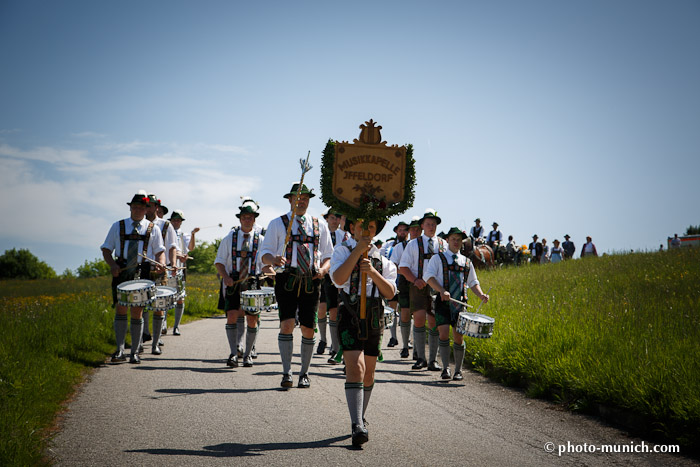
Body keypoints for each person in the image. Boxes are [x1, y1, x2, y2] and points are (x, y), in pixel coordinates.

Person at [330, 219, 397, 447]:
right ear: (351, 229)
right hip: (349, 313)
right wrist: (357, 251)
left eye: (370, 227)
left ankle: (360, 415)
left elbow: (389, 293)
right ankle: (357, 423)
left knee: (368, 372)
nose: (366, 230)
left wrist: (373, 273)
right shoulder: (341, 251)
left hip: (374, 316)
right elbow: (338, 279)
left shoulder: (384, 260)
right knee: (355, 367)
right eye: (360, 226)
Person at [260, 183, 333, 389]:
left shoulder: (320, 224)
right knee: (287, 324)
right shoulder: (278, 223)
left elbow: (329, 255)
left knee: (309, 329)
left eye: (305, 198)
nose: (302, 201)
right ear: (290, 200)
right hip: (287, 278)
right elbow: (264, 253)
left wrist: (324, 270)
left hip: (312, 279)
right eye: (298, 197)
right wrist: (273, 259)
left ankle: (304, 372)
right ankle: (287, 372)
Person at [101, 191, 166, 364]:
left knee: (137, 311)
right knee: (121, 309)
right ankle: (120, 350)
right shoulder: (118, 226)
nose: (137, 210)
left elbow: (160, 251)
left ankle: (135, 352)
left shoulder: (153, 228)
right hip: (122, 271)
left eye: (140, 207)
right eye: (134, 207)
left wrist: (160, 264)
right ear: (130, 208)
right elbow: (106, 249)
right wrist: (112, 265)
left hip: (143, 273)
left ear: (146, 209)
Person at [424, 227, 489, 380]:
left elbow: (473, 282)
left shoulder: (466, 262)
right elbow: (428, 277)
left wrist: (481, 295)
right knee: (444, 333)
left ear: (462, 242)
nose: (456, 242)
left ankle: (458, 370)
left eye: (459, 240)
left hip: (460, 304)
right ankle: (446, 368)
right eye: (453, 239)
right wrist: (441, 290)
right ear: (447, 240)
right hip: (443, 303)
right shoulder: (438, 259)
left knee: (459, 337)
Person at [214, 200, 264, 368]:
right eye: (244, 217)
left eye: (250, 217)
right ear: (240, 219)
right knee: (232, 316)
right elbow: (219, 262)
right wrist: (225, 277)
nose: (247, 220)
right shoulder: (229, 239)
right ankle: (234, 353)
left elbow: (266, 265)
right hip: (233, 282)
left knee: (252, 319)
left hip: (252, 284)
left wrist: (269, 272)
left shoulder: (261, 240)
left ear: (254, 219)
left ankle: (248, 354)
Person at [399, 209, 447, 371]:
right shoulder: (413, 244)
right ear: (422, 226)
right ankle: (421, 358)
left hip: (436, 288)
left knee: (433, 322)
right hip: (418, 286)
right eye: (428, 224)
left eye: (434, 224)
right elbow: (403, 267)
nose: (431, 226)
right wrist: (415, 280)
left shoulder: (443, 244)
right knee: (419, 319)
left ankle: (433, 360)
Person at [142, 194, 178, 351]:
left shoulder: (165, 225)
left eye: (150, 205)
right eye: (146, 205)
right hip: (143, 268)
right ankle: (144, 334)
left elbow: (172, 246)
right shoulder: (140, 225)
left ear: (157, 207)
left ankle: (156, 343)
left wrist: (173, 264)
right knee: (141, 304)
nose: (148, 208)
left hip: (160, 269)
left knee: (159, 305)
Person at [318, 209, 348, 361]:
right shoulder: (321, 233)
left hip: (338, 275)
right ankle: (323, 339)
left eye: (338, 218)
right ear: (327, 219)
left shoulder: (345, 236)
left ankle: (335, 347)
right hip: (324, 276)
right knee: (322, 309)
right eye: (332, 218)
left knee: (335, 311)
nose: (335, 221)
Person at [390, 217, 420, 358]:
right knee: (405, 313)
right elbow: (393, 266)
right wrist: (408, 274)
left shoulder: (425, 245)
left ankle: (416, 348)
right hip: (405, 282)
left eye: (417, 229)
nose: (415, 231)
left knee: (419, 315)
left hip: (421, 283)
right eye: (412, 229)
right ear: (409, 232)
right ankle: (405, 345)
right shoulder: (399, 247)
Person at [169, 210, 199, 335]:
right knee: (166, 298)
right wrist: (177, 255)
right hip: (168, 267)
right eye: (174, 219)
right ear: (170, 221)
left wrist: (192, 235)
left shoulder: (183, 234)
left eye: (179, 220)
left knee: (180, 298)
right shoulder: (166, 232)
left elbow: (191, 248)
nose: (176, 222)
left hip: (180, 268)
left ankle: (176, 326)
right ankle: (164, 325)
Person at [380, 220, 409, 348]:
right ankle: (393, 337)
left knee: (405, 311)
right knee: (392, 308)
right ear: (396, 231)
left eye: (404, 230)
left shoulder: (411, 245)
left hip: (406, 281)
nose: (402, 232)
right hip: (393, 280)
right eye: (400, 230)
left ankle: (406, 340)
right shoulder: (388, 245)